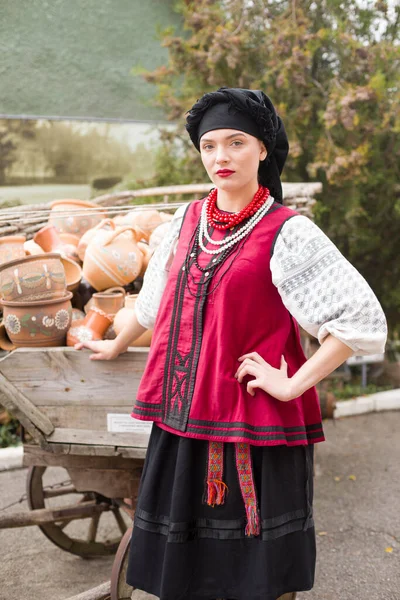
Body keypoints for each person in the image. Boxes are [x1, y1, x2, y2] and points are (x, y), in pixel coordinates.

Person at [75, 88, 387, 600]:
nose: (221, 157)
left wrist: (291, 385)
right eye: (210, 145)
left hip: (250, 428)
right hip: (182, 422)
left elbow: (361, 320)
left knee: (249, 578)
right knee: (187, 573)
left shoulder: (289, 234)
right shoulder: (184, 223)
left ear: (263, 148)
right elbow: (155, 303)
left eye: (236, 143)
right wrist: (115, 344)